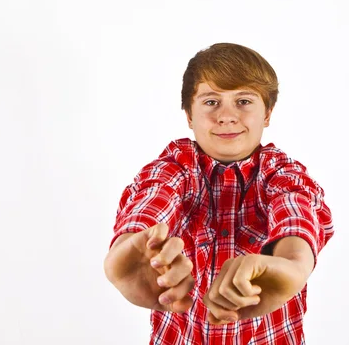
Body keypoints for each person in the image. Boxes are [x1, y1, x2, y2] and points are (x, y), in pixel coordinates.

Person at [104, 43, 334, 344]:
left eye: (243, 101)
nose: (226, 116)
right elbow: (152, 197)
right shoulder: (174, 168)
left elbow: (295, 208)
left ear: (267, 113)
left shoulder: (282, 174)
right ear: (189, 115)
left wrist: (292, 266)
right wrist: (126, 249)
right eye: (211, 102)